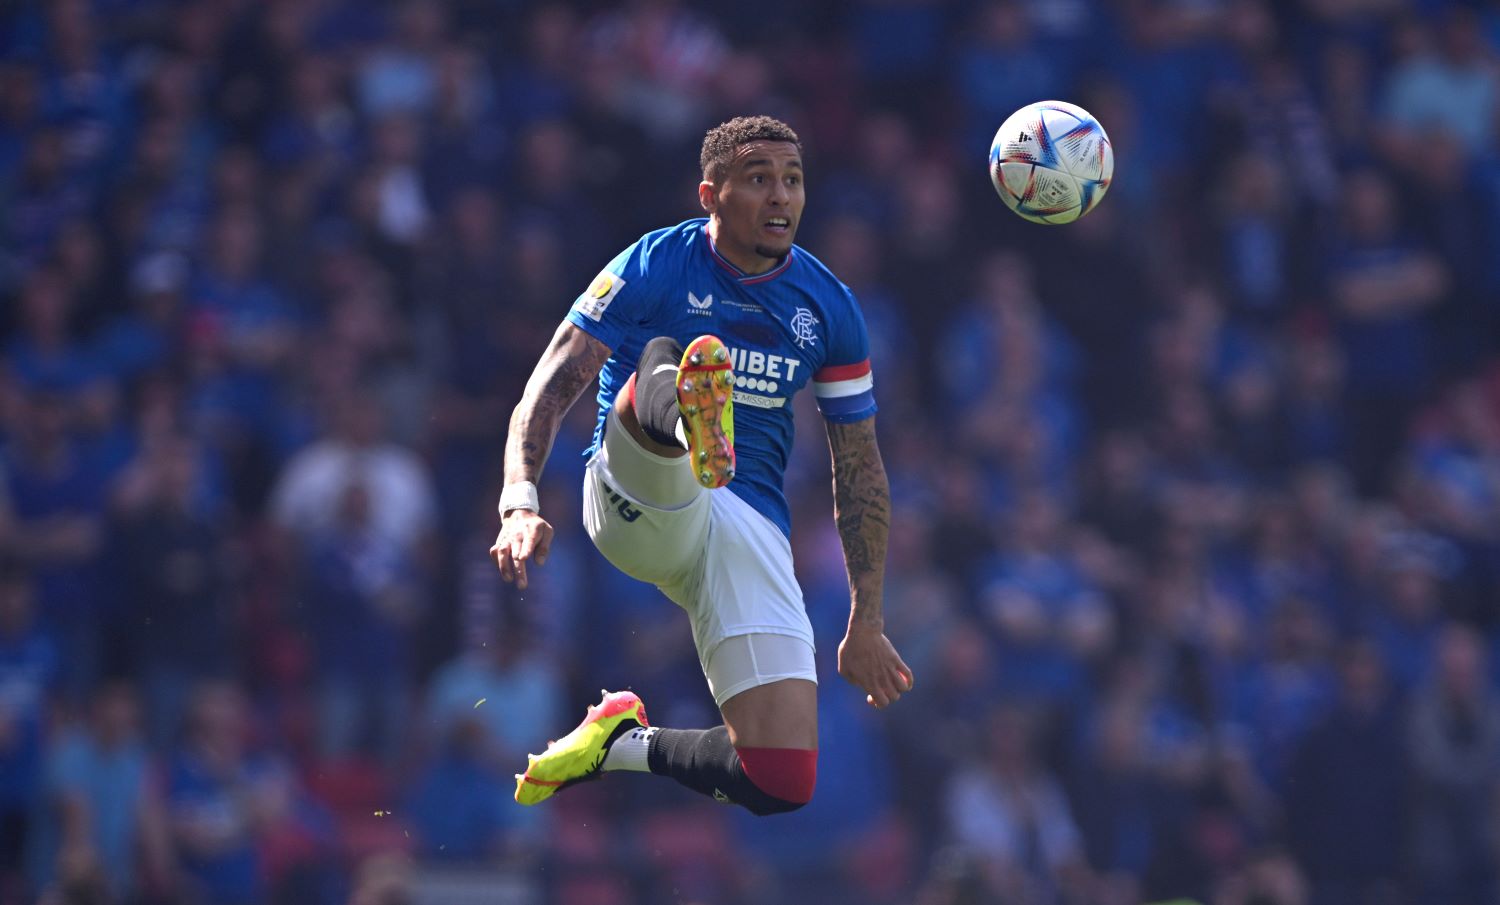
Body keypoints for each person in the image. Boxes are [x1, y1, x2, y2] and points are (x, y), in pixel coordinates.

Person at [491, 115, 913, 816]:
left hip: (745, 523)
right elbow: (552, 381)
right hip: (636, 492)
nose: (781, 196)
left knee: (780, 781)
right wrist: (520, 499)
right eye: (758, 179)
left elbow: (860, 468)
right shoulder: (656, 262)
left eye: (793, 180)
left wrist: (865, 618)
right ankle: (682, 411)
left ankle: (619, 742)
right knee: (663, 361)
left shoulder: (829, 305)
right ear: (709, 195)